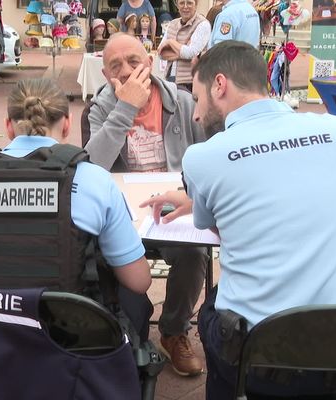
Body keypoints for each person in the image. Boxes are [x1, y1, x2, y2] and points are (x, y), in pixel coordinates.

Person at [141, 40, 336, 399]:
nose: (197, 115)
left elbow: (221, 228)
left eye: (198, 99)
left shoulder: (203, 157)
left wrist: (201, 196)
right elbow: (284, 176)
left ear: (220, 85)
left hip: (267, 361)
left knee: (211, 310)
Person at [0, 78, 153, 338]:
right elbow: (139, 281)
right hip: (68, 346)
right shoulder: (94, 180)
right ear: (67, 124)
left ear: (8, 127)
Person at [83, 33, 209, 377]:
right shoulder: (101, 108)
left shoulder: (182, 103)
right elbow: (92, 169)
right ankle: (128, 331)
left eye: (133, 61)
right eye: (115, 66)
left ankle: (173, 330)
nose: (125, 71)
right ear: (107, 74)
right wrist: (125, 108)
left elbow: (209, 162)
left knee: (194, 251)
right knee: (98, 252)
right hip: (122, 215)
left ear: (150, 63)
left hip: (171, 212)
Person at [157, 0, 211, 92]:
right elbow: (161, 53)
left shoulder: (203, 24)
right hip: (170, 78)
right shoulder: (172, 24)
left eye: (189, 3)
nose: (185, 6)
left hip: (191, 81)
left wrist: (170, 42)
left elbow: (191, 53)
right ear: (177, 4)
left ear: (196, 4)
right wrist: (183, 50)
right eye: (182, 3)